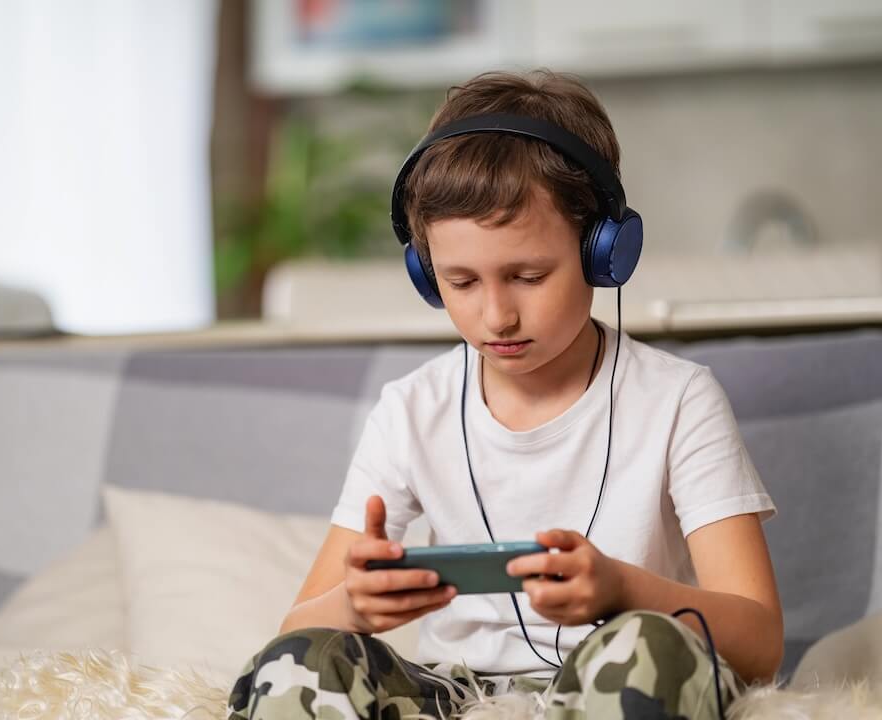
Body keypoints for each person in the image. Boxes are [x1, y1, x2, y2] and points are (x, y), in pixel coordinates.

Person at [227, 70, 783, 720]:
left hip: (616, 679)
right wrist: (355, 603)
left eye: (528, 275)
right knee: (299, 667)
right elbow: (294, 630)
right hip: (454, 696)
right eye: (461, 282)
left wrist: (623, 589)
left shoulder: (679, 399)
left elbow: (760, 641)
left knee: (647, 649)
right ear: (426, 274)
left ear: (605, 251)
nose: (497, 317)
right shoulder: (411, 411)